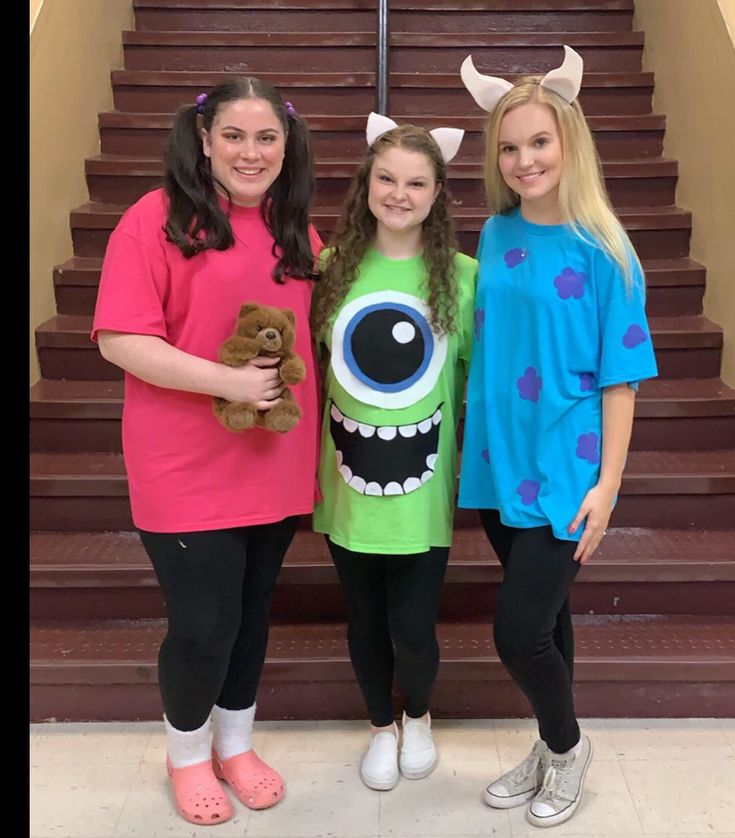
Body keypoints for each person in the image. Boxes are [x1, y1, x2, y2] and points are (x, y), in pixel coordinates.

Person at [92, 77, 322, 825]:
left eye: (266, 138)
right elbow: (122, 338)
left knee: (252, 612)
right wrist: (226, 379)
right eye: (234, 136)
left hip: (274, 460)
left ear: (286, 147)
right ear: (201, 138)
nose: (250, 153)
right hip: (183, 460)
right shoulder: (152, 220)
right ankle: (187, 754)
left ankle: (236, 744)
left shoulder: (298, 232)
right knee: (202, 622)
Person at [458, 47, 658, 828]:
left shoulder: (607, 250)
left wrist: (606, 486)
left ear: (568, 143)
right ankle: (550, 746)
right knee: (549, 622)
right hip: (498, 463)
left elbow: (620, 380)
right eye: (508, 147)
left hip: (567, 469)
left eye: (537, 142)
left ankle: (566, 748)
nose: (522, 159)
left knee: (517, 633)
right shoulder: (494, 231)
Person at [310, 113, 477, 791]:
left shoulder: (463, 277)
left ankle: (421, 716)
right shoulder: (328, 266)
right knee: (364, 619)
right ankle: (381, 724)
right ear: (365, 184)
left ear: (437, 194)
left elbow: (473, 378)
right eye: (386, 178)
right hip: (348, 480)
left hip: (423, 482)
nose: (399, 194)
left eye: (415, 182)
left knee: (413, 625)